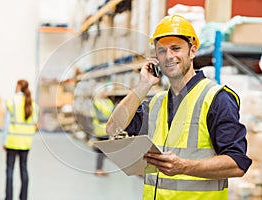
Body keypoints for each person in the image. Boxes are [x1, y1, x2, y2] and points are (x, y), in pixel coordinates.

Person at [106, 14, 252, 199]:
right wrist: (143, 84)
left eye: (176, 48)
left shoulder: (216, 98)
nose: (169, 56)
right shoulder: (156, 103)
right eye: (161, 51)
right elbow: (113, 128)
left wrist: (184, 167)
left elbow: (237, 164)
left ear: (192, 51)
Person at [3, 79, 39, 200]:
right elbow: (35, 125)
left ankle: (9, 197)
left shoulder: (11, 101)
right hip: (26, 143)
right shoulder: (33, 104)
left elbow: (6, 123)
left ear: (19, 86)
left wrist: (4, 141)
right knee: (24, 169)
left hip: (12, 141)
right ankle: (23, 197)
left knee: (9, 170)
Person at [91, 87, 114, 176]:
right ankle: (98, 169)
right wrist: (112, 119)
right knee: (101, 151)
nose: (107, 92)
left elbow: (114, 112)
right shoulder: (96, 103)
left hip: (109, 130)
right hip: (101, 130)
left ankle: (99, 168)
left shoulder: (109, 102)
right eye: (105, 90)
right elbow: (100, 118)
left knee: (105, 150)